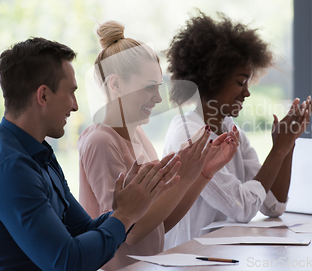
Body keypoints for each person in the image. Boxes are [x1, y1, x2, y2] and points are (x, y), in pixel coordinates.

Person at [0, 37, 181, 271]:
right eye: (71, 92)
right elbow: (68, 263)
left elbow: (84, 229)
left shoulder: (39, 155)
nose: (75, 106)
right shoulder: (10, 170)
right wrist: (125, 214)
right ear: (43, 96)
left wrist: (133, 204)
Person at [78, 21, 238, 269]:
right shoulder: (100, 142)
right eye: (149, 87)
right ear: (116, 85)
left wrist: (203, 172)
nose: (158, 98)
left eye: (159, 87)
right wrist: (184, 176)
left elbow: (159, 225)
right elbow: (129, 232)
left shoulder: (139, 136)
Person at [162, 12, 312, 248]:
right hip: (189, 259)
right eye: (240, 82)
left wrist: (287, 144)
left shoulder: (233, 132)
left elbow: (273, 205)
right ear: (210, 78)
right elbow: (242, 208)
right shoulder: (189, 134)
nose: (247, 92)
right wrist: (277, 151)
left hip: (223, 258)